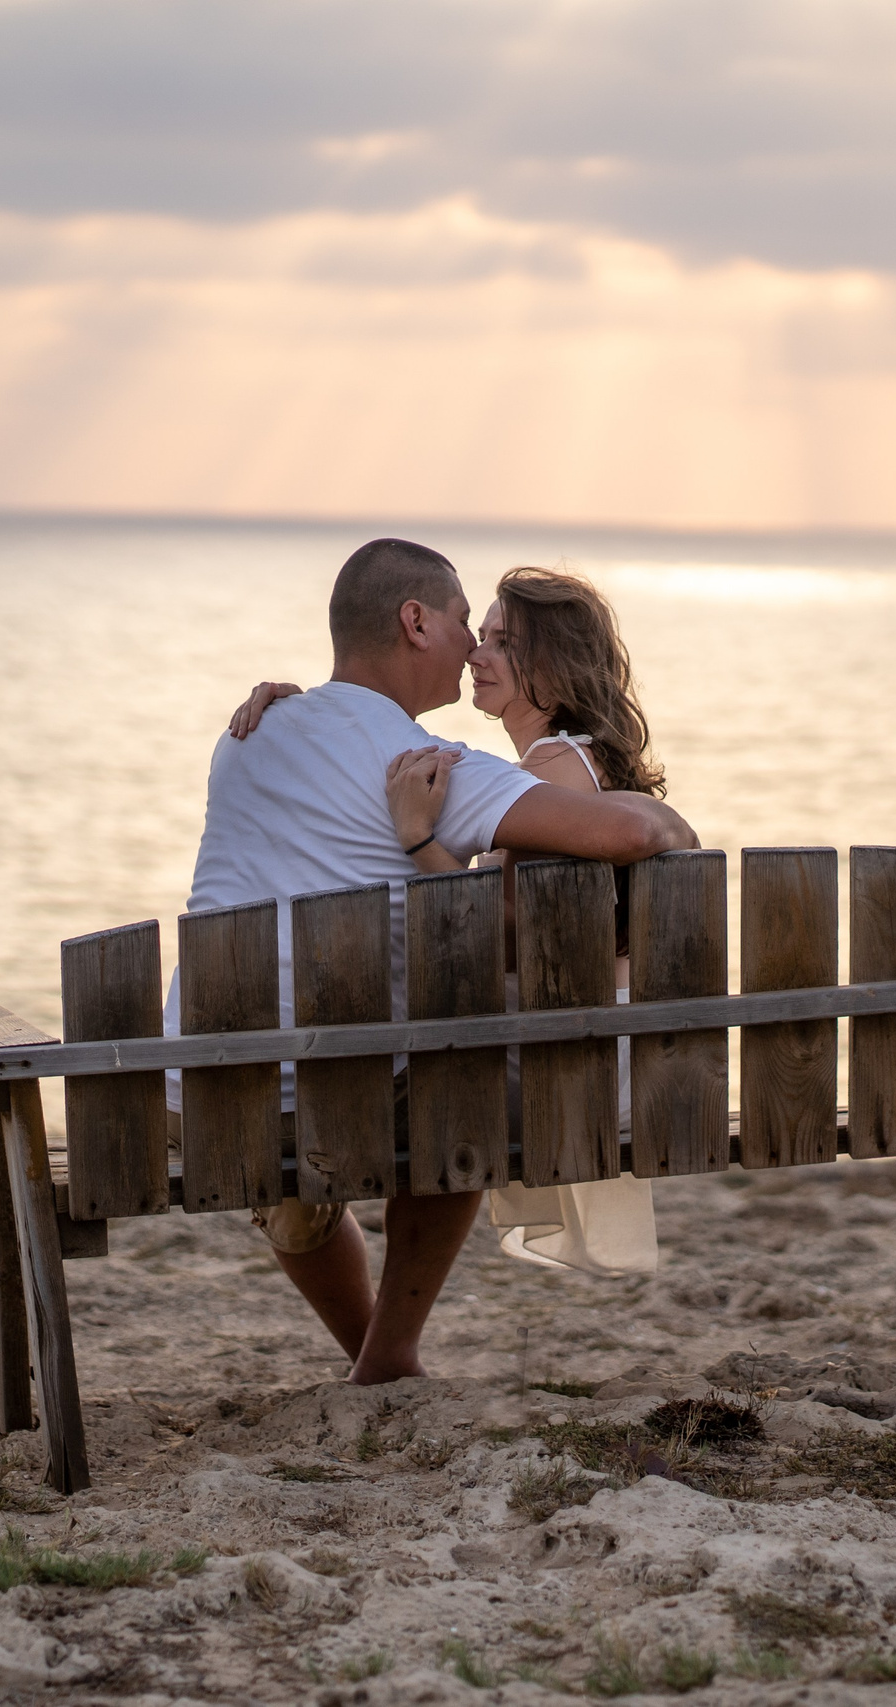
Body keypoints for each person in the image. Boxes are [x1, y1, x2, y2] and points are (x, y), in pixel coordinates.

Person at [176, 539, 696, 1386]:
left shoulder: (245, 736)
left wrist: (293, 709)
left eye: (497, 638)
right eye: (466, 625)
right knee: (462, 1076)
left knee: (415, 1062)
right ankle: (387, 1361)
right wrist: (675, 823)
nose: (472, 648)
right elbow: (630, 836)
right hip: (327, 1093)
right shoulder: (437, 769)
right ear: (416, 621)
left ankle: (383, 1364)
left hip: (196, 1091)